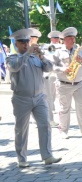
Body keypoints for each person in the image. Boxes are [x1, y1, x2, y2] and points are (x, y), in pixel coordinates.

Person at [6, 28, 61, 168]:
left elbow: (49, 69)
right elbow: (15, 67)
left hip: (39, 97)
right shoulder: (12, 58)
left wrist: (42, 56)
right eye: (22, 42)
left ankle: (47, 155)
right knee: (21, 129)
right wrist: (28, 53)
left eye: (27, 41)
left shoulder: (36, 57)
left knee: (45, 125)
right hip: (21, 98)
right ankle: (22, 158)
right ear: (16, 44)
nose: (25, 44)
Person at [53, 27, 82, 139]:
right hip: (64, 84)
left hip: (79, 83)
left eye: (74, 38)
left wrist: (81, 61)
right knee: (64, 108)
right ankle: (63, 131)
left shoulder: (79, 50)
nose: (73, 40)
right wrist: (64, 69)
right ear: (65, 40)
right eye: (70, 38)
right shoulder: (58, 51)